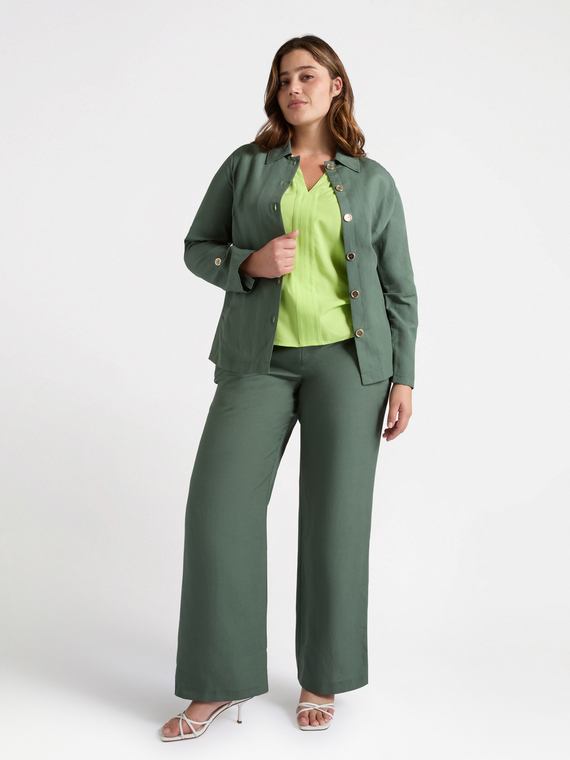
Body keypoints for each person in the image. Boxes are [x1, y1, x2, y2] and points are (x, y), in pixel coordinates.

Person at [159, 34, 418, 741]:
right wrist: (249, 262)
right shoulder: (246, 166)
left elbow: (399, 288)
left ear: (336, 86)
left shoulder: (373, 181)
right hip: (258, 360)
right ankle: (217, 685)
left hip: (351, 365)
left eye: (306, 76)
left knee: (337, 522)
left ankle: (321, 677)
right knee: (218, 512)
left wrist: (404, 376)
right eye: (282, 79)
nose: (293, 88)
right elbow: (197, 247)